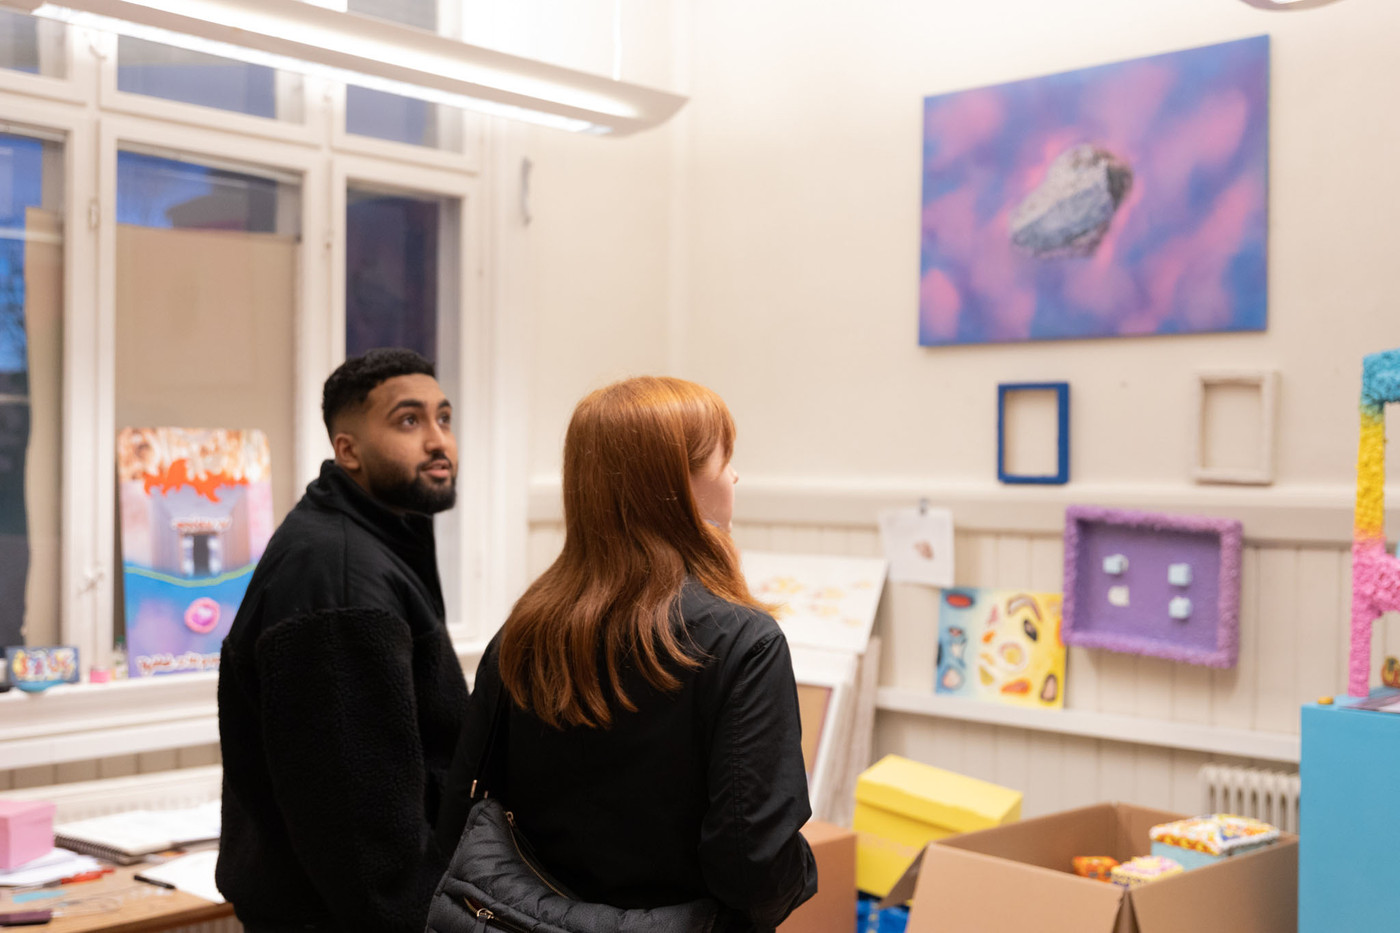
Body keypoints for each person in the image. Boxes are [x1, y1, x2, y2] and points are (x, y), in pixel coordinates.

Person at [435, 376, 817, 932]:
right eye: (723, 458)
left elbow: (462, 811)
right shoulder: (744, 643)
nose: (734, 475)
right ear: (676, 485)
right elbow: (753, 869)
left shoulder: (522, 632)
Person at [217, 348, 469, 933]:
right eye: (409, 421)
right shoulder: (342, 579)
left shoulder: (373, 541)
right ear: (348, 450)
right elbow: (361, 830)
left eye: (444, 418)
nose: (438, 441)